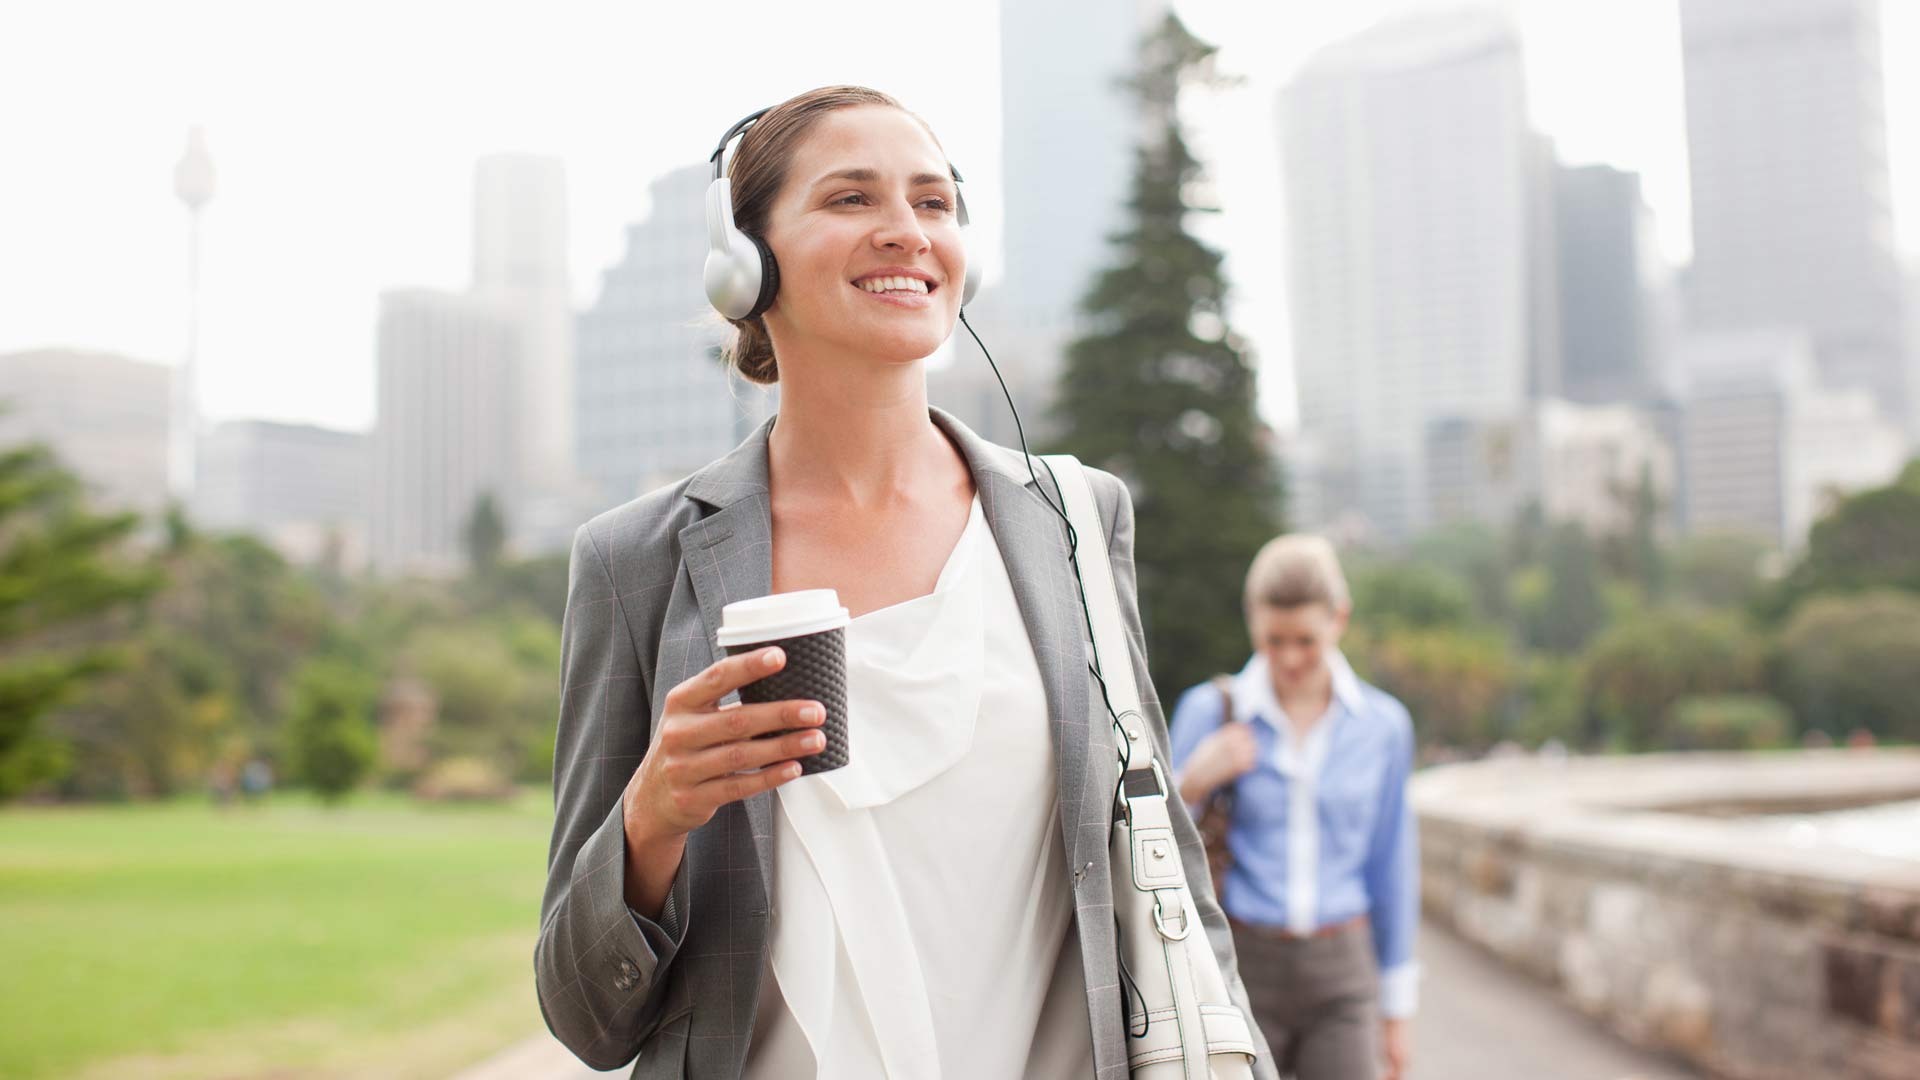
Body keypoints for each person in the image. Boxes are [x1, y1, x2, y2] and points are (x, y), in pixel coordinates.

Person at [534, 85, 1275, 1079]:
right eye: (851, 200)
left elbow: (1166, 866)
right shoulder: (637, 563)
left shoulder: (1073, 520)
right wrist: (654, 814)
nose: (905, 232)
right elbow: (584, 1016)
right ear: (745, 264)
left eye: (932, 203)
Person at [1170, 536, 1419, 1080]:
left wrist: (1397, 1008)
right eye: (1272, 639)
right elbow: (1152, 853)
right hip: (1239, 965)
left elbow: (1392, 863)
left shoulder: (1384, 727)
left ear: (1340, 620)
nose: (1288, 658)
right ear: (1251, 620)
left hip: (1344, 972)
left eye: (1306, 640)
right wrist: (1191, 781)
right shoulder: (1208, 711)